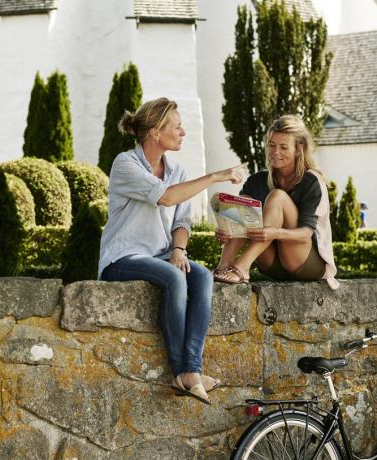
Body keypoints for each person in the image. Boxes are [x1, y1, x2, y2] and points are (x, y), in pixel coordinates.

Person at [98, 97, 245, 404]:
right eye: (176, 126)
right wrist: (215, 177)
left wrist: (179, 248)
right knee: (174, 279)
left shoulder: (177, 172)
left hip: (160, 255)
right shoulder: (126, 164)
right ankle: (184, 372)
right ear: (155, 132)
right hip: (121, 258)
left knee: (201, 275)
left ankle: (191, 368)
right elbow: (165, 198)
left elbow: (182, 221)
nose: (183, 132)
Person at [213, 115, 339, 289]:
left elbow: (306, 234)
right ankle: (224, 265)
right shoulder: (256, 181)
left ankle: (242, 268)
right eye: (271, 145)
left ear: (298, 149)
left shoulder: (311, 181)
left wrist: (274, 233)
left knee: (277, 197)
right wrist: (228, 231)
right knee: (244, 204)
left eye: (283, 147)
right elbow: (241, 225)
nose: (275, 152)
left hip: (305, 263)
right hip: (271, 264)